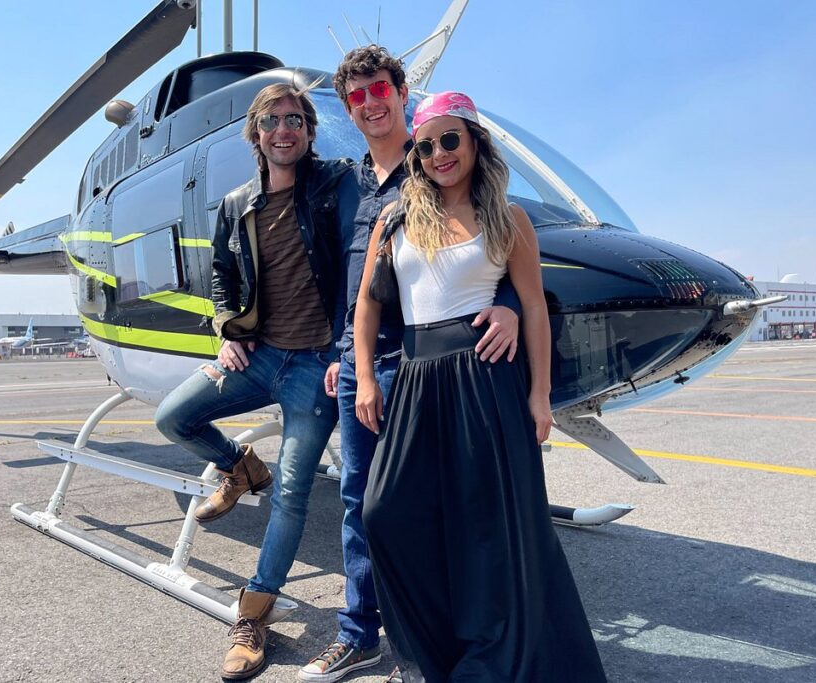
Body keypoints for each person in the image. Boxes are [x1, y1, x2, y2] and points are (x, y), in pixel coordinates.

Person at [354, 92, 607, 682]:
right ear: (414, 152)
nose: (440, 153)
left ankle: (491, 658)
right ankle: (430, 650)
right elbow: (368, 305)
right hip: (416, 379)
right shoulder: (395, 217)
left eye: (451, 140)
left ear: (472, 143)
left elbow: (536, 310)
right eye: (427, 143)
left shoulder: (508, 217)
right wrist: (367, 375)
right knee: (385, 513)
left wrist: (539, 393)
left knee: (491, 526)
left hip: (483, 378)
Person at [300, 48, 521, 683]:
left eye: (380, 90)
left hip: (428, 367)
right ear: (347, 109)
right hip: (365, 367)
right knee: (361, 503)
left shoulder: (436, 163)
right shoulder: (348, 185)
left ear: (401, 93)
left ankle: (420, 648)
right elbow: (353, 280)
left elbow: (492, 245)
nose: (370, 104)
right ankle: (359, 633)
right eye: (357, 97)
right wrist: (349, 354)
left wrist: (506, 306)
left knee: (425, 508)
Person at [153, 82, 349, 681]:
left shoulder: (335, 182)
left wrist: (348, 346)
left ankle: (253, 612)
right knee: (172, 417)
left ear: (309, 132)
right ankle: (240, 464)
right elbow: (220, 273)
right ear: (256, 133)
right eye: (272, 121)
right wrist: (226, 328)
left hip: (317, 365)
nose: (284, 130)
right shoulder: (237, 203)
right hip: (260, 354)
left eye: (295, 119)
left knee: (292, 493)